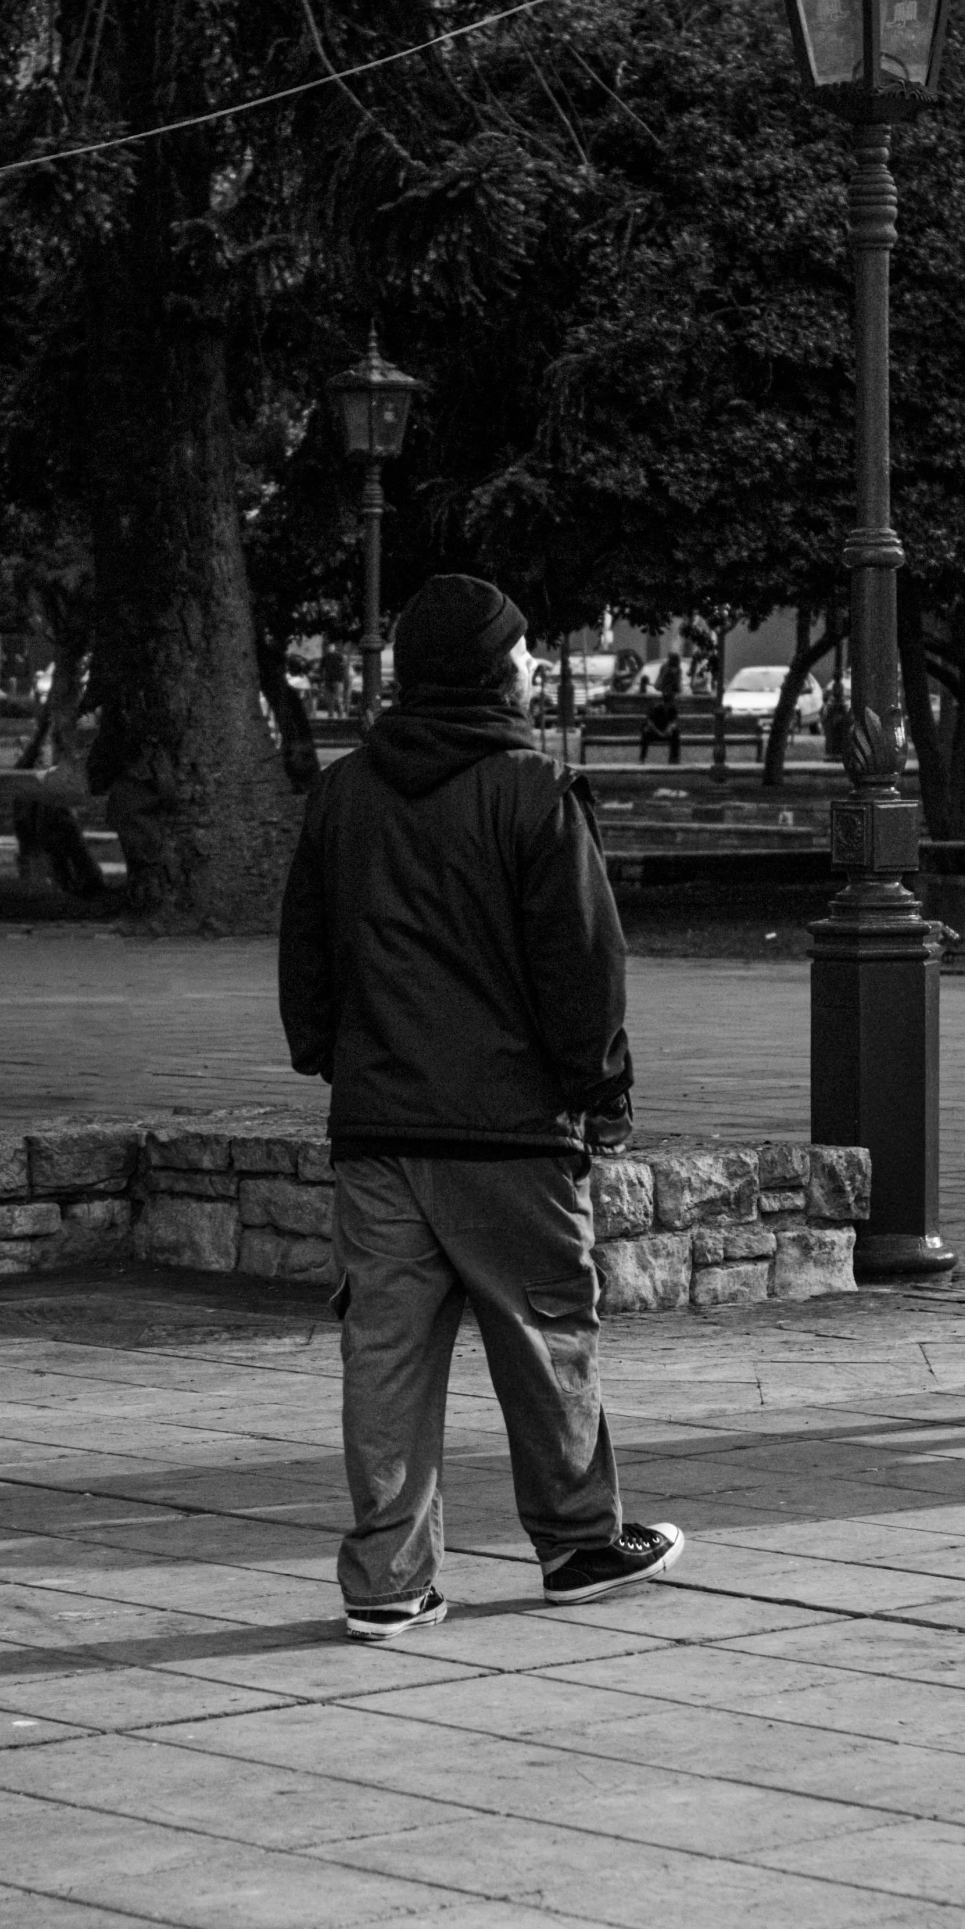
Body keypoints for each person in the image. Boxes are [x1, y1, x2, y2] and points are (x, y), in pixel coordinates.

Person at [279, 573, 683, 1642]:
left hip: (377, 1128)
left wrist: (331, 1057)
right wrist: (598, 1091)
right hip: (509, 1131)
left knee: (386, 1354)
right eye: (521, 654)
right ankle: (578, 1542)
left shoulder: (345, 792)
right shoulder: (534, 791)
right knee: (546, 1333)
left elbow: (306, 958)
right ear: (490, 669)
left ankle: (387, 1581)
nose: (532, 668)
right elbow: (583, 967)